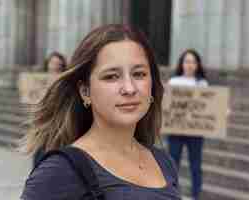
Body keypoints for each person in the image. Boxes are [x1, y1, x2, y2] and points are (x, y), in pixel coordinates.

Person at [20, 24, 181, 199]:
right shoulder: (60, 171)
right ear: (85, 92)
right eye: (111, 76)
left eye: (139, 74)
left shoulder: (164, 162)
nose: (129, 88)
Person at [166, 49, 208, 200]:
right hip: (175, 131)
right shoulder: (173, 82)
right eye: (187, 61)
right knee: (172, 165)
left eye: (193, 62)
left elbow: (209, 106)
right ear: (182, 64)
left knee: (195, 166)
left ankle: (196, 195)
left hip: (195, 132)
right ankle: (171, 195)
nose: (189, 65)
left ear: (197, 65)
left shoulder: (202, 84)